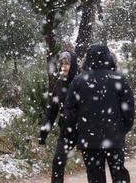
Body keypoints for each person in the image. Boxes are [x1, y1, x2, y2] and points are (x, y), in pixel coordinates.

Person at [62, 44, 134, 183]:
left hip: (89, 140)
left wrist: (74, 133)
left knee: (95, 177)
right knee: (119, 174)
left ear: (88, 59)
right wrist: (122, 129)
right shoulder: (119, 79)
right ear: (109, 58)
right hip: (114, 138)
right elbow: (129, 110)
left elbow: (69, 111)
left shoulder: (79, 81)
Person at [38, 50, 80, 183]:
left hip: (83, 130)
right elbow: (52, 111)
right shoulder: (59, 84)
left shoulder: (82, 82)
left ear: (72, 65)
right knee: (58, 161)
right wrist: (43, 133)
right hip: (66, 130)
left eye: (67, 64)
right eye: (61, 64)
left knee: (93, 166)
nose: (63, 67)